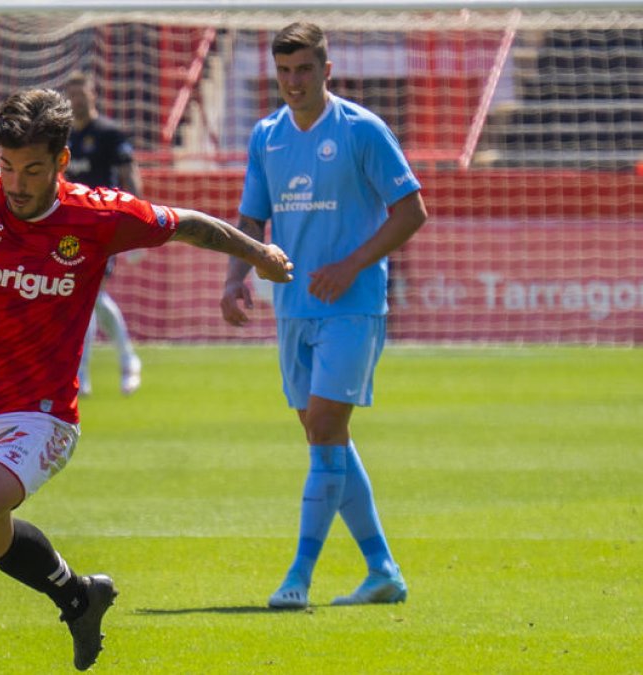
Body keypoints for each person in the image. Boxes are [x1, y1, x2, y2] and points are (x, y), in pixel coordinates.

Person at [0, 88, 293, 675]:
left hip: (43, 415)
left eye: (32, 169)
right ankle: (79, 597)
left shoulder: (98, 215)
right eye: (7, 166)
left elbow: (189, 224)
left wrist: (259, 253)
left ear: (61, 162)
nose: (16, 182)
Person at [220, 22, 428, 610]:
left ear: (326, 70)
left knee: (326, 432)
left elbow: (412, 210)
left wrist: (350, 266)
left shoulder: (362, 130)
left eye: (304, 70)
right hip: (293, 308)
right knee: (323, 436)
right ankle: (382, 569)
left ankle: (299, 575)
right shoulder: (266, 135)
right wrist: (236, 277)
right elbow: (252, 221)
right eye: (284, 72)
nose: (293, 82)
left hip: (353, 306)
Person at [63, 71, 144, 396]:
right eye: (72, 94)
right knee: (85, 297)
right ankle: (124, 360)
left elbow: (129, 175)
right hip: (69, 228)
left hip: (103, 224)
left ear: (93, 95)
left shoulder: (109, 134)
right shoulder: (64, 136)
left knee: (89, 295)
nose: (77, 100)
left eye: (81, 93)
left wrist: (139, 222)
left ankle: (92, 371)